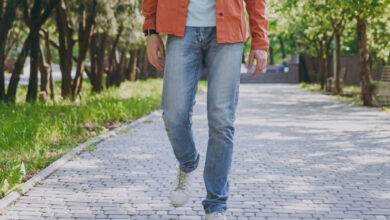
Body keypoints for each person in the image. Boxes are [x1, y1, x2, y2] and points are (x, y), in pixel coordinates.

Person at [142, 0, 269, 219]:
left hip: (228, 28)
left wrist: (260, 40)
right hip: (181, 28)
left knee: (222, 121)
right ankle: (188, 162)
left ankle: (216, 205)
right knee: (173, 115)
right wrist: (151, 30)